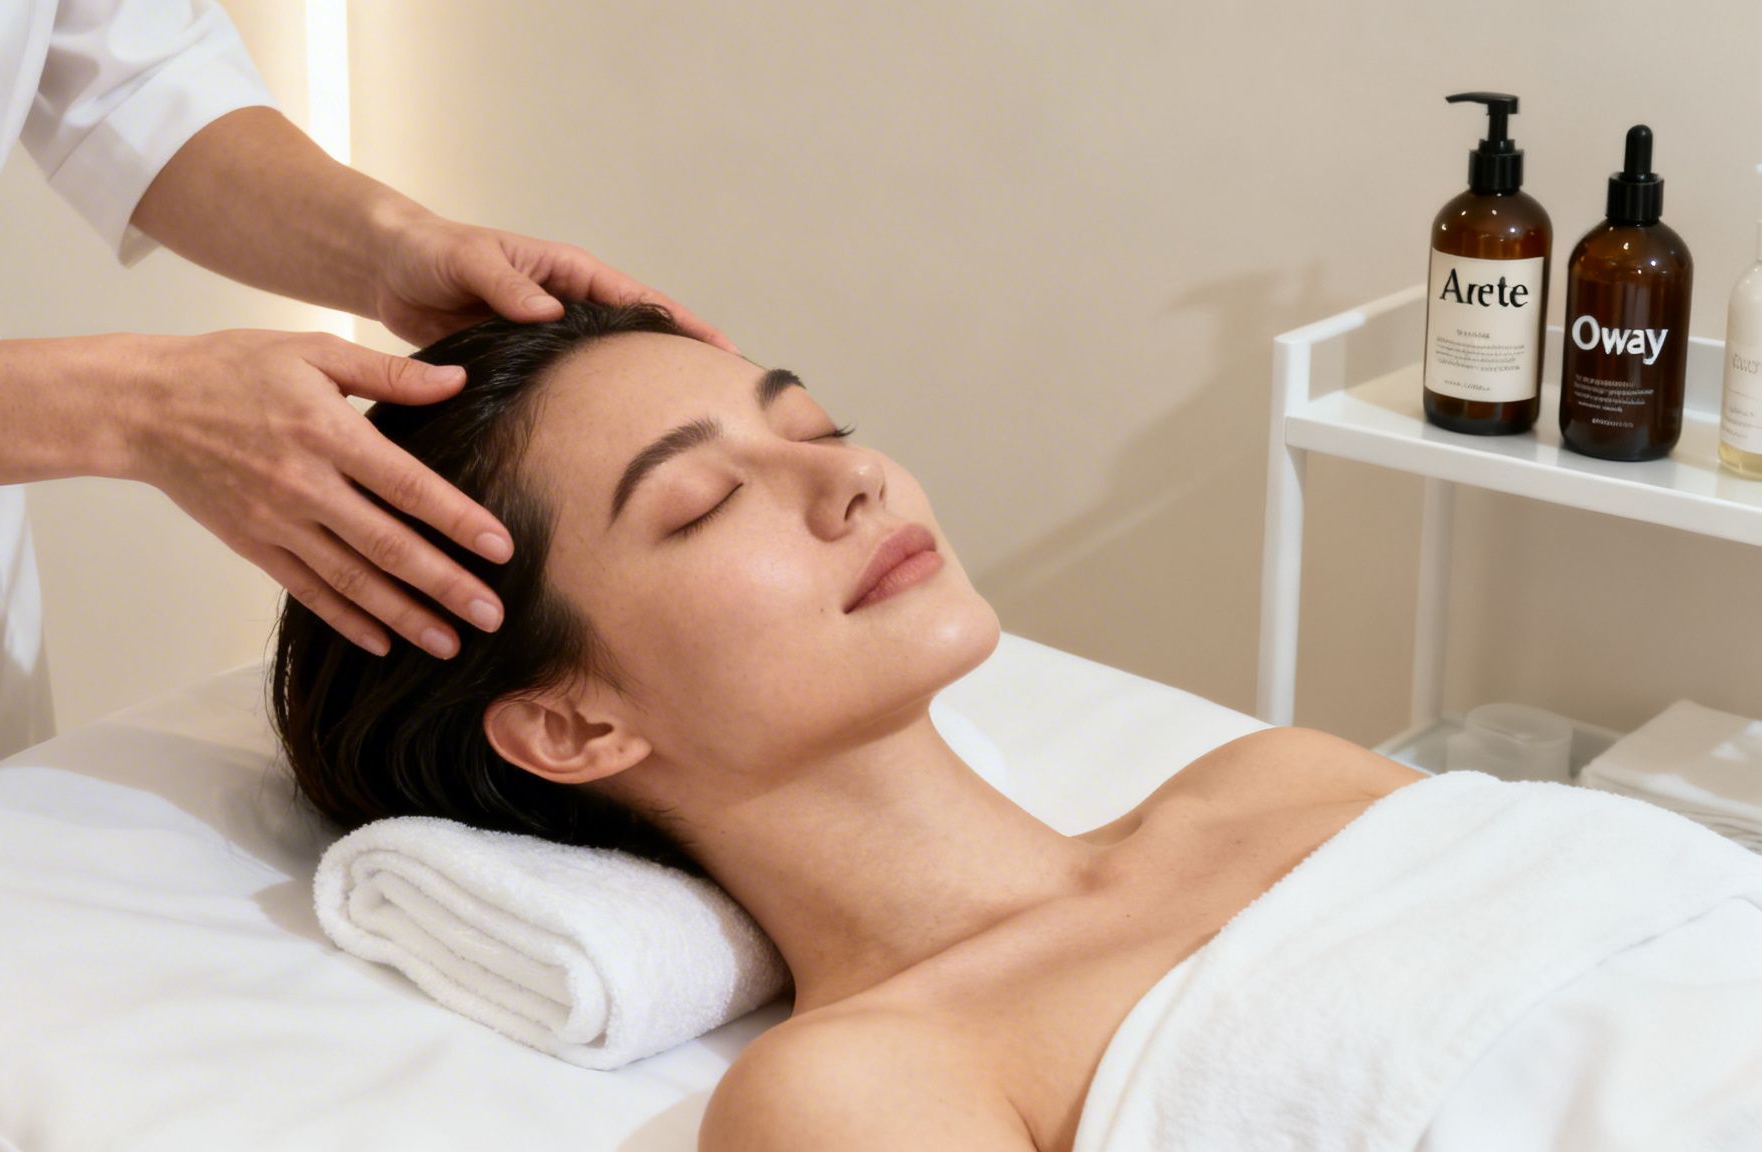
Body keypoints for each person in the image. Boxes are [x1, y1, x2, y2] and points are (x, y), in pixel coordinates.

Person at [271, 303, 1762, 1150]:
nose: (852, 484)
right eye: (705, 500)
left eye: (813, 427)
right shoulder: (857, 1093)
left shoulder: (1276, 779)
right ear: (572, 727)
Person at [0, 2, 724, 911]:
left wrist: (390, 243)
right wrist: (140, 408)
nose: (854, 489)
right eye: (696, 504)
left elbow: (137, 76)